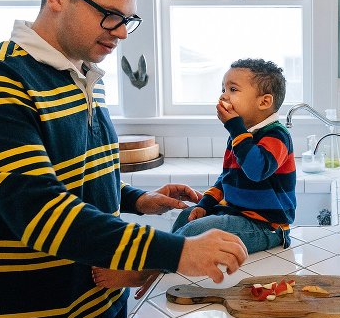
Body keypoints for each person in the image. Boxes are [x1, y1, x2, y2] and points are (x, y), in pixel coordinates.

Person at [0, 0, 247, 318]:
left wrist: (137, 199)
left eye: (127, 19)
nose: (122, 32)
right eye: (110, 16)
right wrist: (176, 252)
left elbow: (79, 175)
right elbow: (41, 212)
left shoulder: (86, 76)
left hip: (101, 312)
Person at [92, 58, 296, 297]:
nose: (224, 96)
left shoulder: (276, 136)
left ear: (265, 102)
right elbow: (227, 178)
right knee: (186, 218)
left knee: (199, 230)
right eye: (223, 89)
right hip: (237, 215)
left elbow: (256, 169)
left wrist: (235, 129)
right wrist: (205, 204)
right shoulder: (240, 137)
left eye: (233, 89)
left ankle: (144, 271)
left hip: (267, 228)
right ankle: (156, 271)